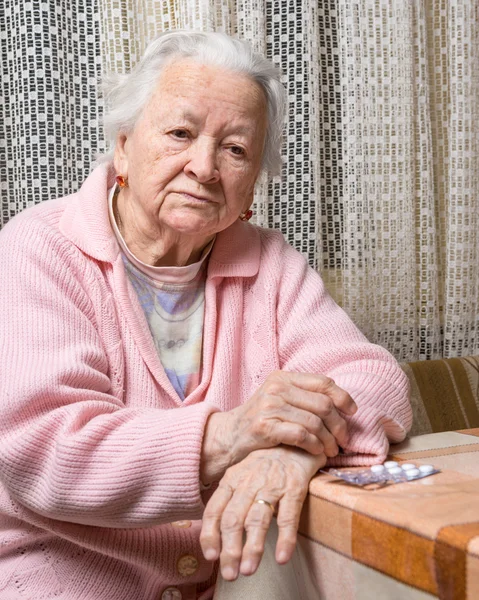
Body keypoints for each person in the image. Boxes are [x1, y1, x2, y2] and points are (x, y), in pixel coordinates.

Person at [0, 30, 412, 600]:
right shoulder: (39, 250)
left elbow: (373, 380)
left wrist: (290, 449)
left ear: (251, 187)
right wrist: (231, 436)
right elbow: (46, 448)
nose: (204, 166)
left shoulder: (269, 262)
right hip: (63, 582)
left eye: (236, 149)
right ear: (123, 145)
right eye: (180, 133)